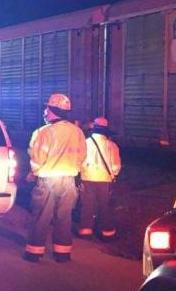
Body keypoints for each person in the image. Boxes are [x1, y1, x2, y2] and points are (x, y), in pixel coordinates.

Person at [24, 93, 86, 263]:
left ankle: (34, 252)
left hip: (48, 180)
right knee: (64, 217)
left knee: (41, 216)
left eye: (47, 108)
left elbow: (36, 157)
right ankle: (62, 253)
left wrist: (34, 173)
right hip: (69, 181)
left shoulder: (43, 132)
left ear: (52, 110)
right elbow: (82, 156)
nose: (44, 111)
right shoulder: (77, 132)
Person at [78, 117, 122, 240]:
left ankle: (86, 229)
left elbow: (79, 161)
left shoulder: (85, 143)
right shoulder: (112, 145)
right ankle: (107, 231)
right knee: (105, 204)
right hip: (105, 179)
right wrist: (113, 174)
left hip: (88, 178)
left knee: (87, 204)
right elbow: (116, 166)